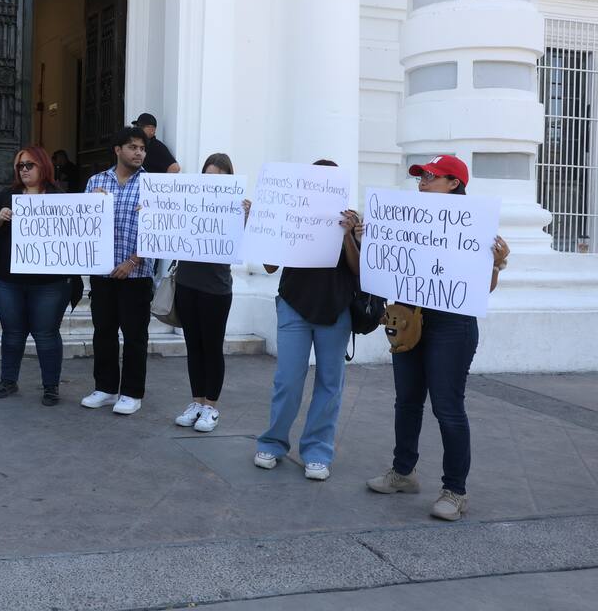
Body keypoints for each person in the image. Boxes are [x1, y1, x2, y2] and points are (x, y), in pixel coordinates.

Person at [364, 155, 510, 521]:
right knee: (407, 401)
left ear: (454, 184)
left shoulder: (474, 226)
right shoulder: (407, 219)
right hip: (410, 319)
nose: (422, 182)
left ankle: (455, 491)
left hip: (452, 326)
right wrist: (372, 242)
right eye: (421, 177)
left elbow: (482, 289)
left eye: (431, 177)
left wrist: (495, 263)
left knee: (447, 407)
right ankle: (403, 472)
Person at [254, 159, 360, 481]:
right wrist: (262, 224)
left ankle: (317, 451)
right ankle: (272, 443)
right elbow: (271, 266)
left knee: (330, 383)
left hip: (335, 309)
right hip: (293, 306)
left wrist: (347, 236)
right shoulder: (292, 214)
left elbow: (361, 272)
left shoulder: (352, 222)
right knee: (287, 379)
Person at [0, 146, 82, 406]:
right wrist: (0, 218)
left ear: (42, 166)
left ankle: (51, 386)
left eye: (29, 165)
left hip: (50, 282)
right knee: (12, 332)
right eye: (19, 166)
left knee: (47, 334)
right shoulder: (8, 195)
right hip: (8, 279)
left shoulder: (60, 197)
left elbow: (77, 231)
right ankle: (8, 380)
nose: (23, 170)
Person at [173, 153, 251, 433]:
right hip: (186, 283)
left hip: (216, 288)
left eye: (217, 179)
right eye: (207, 177)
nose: (211, 183)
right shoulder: (189, 202)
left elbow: (248, 244)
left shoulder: (238, 209)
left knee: (211, 347)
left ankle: (211, 407)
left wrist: (247, 217)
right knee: (193, 346)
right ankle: (196, 402)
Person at [80, 126, 155, 415]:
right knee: (104, 332)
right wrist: (90, 204)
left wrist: (133, 261)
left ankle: (132, 393)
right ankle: (106, 388)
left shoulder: (152, 185)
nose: (139, 153)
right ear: (118, 150)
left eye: (142, 148)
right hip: (102, 274)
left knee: (135, 336)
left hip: (136, 275)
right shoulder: (96, 181)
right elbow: (82, 228)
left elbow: (160, 232)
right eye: (133, 147)